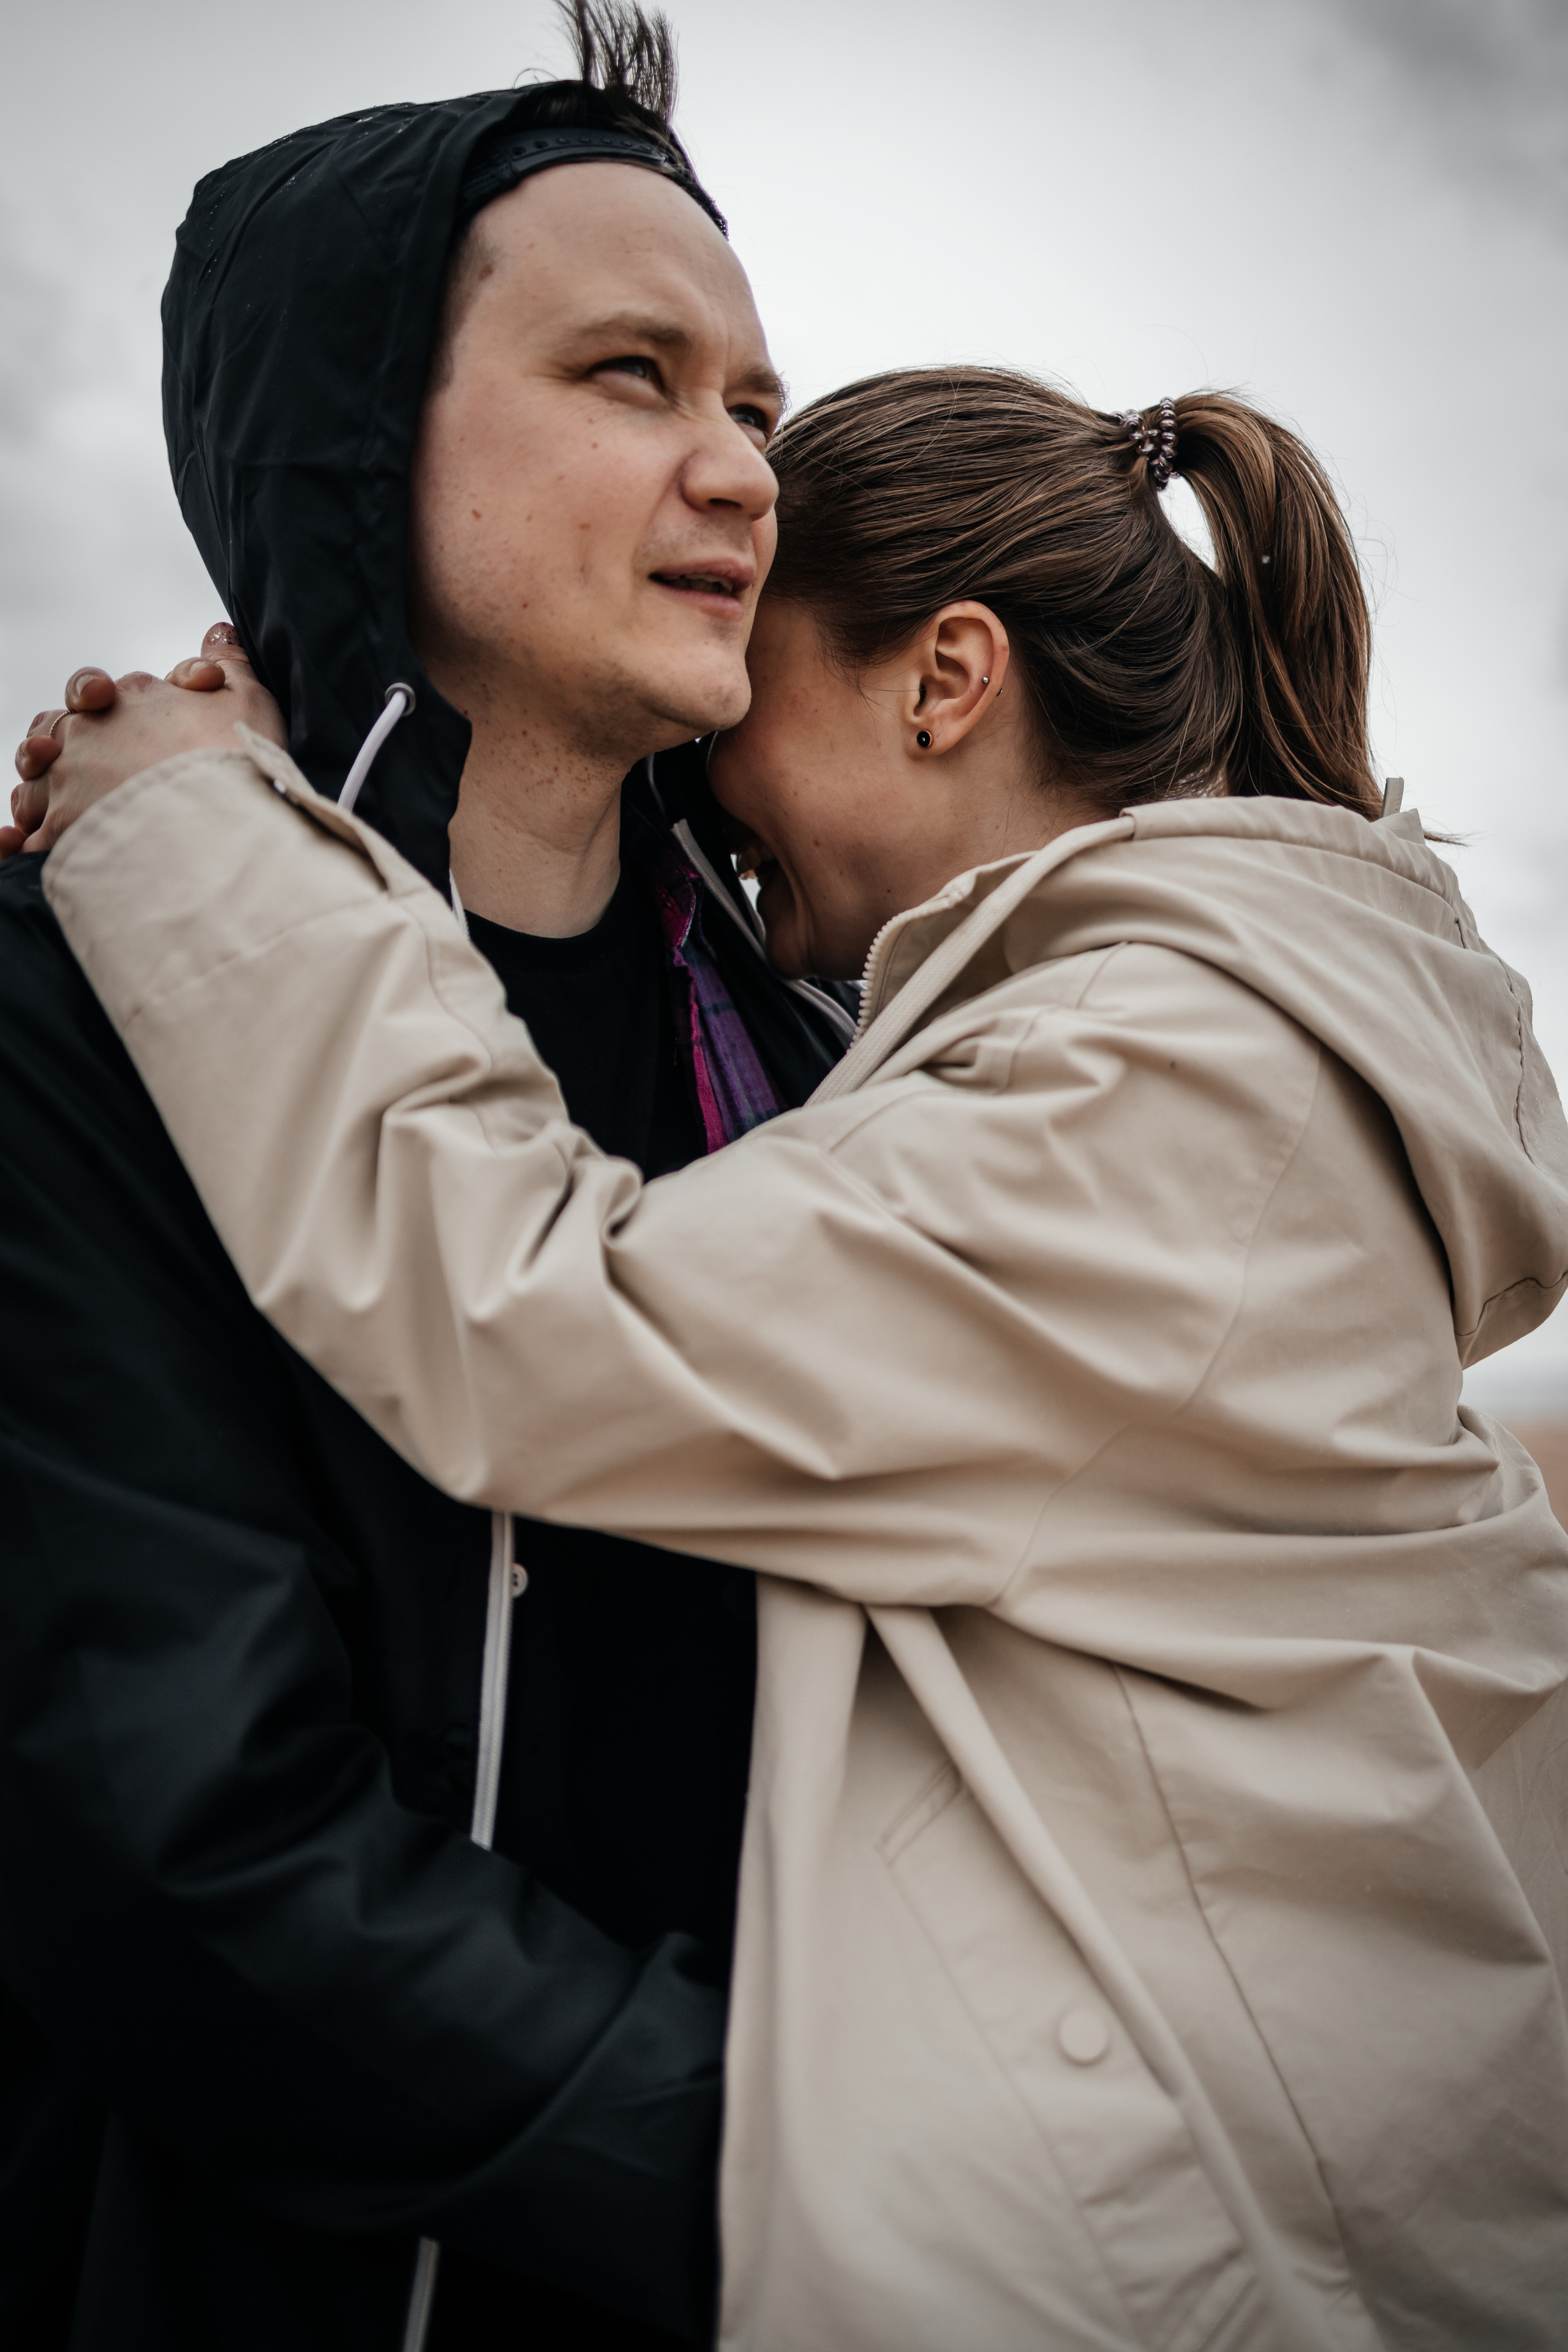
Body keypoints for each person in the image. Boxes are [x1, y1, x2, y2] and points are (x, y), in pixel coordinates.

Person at [29, 369, 1568, 2348]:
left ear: (944, 681)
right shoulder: (1236, 1024)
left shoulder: (1155, 1072)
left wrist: (196, 838)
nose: (717, 846)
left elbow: (539, 1318)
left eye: (751, 732)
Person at [0, 7, 852, 2348]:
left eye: (757, 408)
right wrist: (849, 2202)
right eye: (630, 377)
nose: (743, 472)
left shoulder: (821, 1063)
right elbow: (187, 1848)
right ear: (363, 439)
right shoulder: (64, 1005)